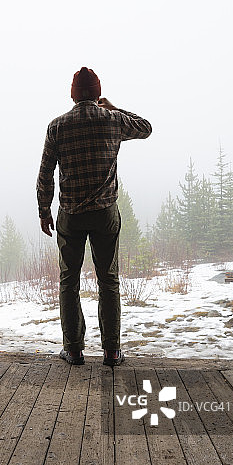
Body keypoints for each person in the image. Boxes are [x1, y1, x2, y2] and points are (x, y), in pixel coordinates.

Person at [36, 67, 152, 367]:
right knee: (108, 281)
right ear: (98, 93)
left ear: (73, 94)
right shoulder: (113, 120)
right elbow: (146, 127)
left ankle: (74, 350)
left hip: (70, 215)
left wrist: (44, 210)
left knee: (69, 281)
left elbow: (45, 173)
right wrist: (114, 108)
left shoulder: (57, 126)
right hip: (105, 214)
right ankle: (112, 351)